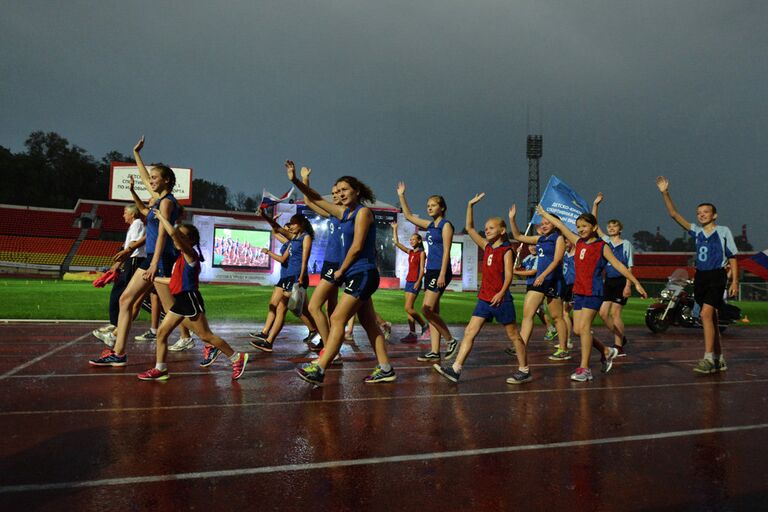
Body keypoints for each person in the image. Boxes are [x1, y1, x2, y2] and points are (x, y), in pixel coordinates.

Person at [288, 162, 394, 385]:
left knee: (336, 317)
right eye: (336, 191)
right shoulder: (343, 213)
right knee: (369, 324)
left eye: (344, 190)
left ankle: (320, 367)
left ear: (356, 191)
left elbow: (356, 247)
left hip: (362, 272)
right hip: (355, 274)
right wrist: (296, 181)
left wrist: (341, 271)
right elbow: (315, 199)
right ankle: (385, 368)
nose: (340, 194)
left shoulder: (363, 212)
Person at [90, 136, 181, 367]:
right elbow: (142, 177)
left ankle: (210, 343)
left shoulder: (167, 203)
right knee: (126, 300)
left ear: (166, 180)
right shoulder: (156, 201)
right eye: (150, 178)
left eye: (154, 178)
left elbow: (162, 234)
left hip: (161, 258)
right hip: (152, 257)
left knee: (174, 310)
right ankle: (118, 353)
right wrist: (136, 154)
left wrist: (154, 264)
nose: (149, 181)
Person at [536, 205, 647, 382]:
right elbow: (562, 225)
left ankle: (585, 369)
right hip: (579, 291)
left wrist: (636, 283)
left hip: (593, 292)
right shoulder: (577, 242)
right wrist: (544, 214)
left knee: (585, 328)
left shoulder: (602, 246)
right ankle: (606, 351)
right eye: (578, 227)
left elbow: (619, 265)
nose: (580, 230)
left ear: (594, 227)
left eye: (584, 226)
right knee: (579, 331)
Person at [137, 209, 248, 381]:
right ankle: (161, 369)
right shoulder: (181, 258)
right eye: (179, 235)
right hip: (181, 301)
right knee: (162, 333)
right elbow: (174, 281)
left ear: (190, 241)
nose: (178, 238)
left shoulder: (190, 254)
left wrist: (162, 218)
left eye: (183, 236)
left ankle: (236, 357)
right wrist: (155, 278)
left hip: (190, 299)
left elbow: (173, 234)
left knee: (205, 335)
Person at [433, 193, 522, 382]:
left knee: (513, 334)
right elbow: (470, 228)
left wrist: (501, 292)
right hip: (484, 298)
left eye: (491, 228)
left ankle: (524, 369)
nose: (487, 231)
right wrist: (470, 205)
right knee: (469, 331)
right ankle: (456, 369)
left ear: (502, 230)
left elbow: (508, 275)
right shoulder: (486, 246)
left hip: (501, 299)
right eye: (486, 228)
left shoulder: (506, 250)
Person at [656, 176, 738, 374]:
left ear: (715, 215)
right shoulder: (696, 231)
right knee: (711, 319)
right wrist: (665, 193)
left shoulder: (723, 231)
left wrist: (734, 281)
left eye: (705, 212)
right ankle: (719, 358)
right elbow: (674, 214)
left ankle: (708, 358)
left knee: (705, 314)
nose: (701, 215)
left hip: (717, 276)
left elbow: (733, 257)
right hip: (700, 277)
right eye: (699, 213)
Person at [396, 182, 457, 362]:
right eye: (428, 206)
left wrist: (441, 274)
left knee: (426, 309)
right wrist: (401, 195)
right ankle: (435, 351)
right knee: (434, 312)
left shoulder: (446, 225)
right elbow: (407, 215)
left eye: (433, 205)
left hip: (440, 271)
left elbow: (447, 251)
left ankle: (451, 340)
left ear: (442, 207)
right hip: (430, 270)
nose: (429, 208)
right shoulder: (430, 225)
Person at [507, 204, 569, 380]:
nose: (543, 225)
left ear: (555, 224)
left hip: (553, 280)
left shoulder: (558, 238)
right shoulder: (540, 239)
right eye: (542, 223)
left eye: (547, 222)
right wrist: (512, 219)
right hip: (539, 281)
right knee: (528, 314)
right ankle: (522, 345)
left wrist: (543, 275)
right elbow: (518, 236)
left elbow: (557, 260)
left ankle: (563, 348)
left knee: (557, 317)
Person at [250, 211, 318, 352]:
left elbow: (305, 258)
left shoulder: (306, 238)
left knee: (285, 309)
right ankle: (269, 340)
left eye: (293, 224)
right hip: (287, 277)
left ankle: (269, 341)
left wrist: (301, 276)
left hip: (296, 277)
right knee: (289, 309)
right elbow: (277, 230)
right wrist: (265, 215)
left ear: (301, 225)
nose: (291, 226)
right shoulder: (293, 239)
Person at [299, 167, 343, 354]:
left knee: (314, 306)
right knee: (331, 308)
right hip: (329, 263)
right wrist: (305, 179)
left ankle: (330, 348)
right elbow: (308, 200)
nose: (335, 196)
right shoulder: (333, 214)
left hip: (337, 265)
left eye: (339, 192)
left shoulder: (348, 215)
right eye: (333, 193)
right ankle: (331, 344)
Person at [92, 205, 146, 347]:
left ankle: (116, 329)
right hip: (131, 261)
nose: (123, 215)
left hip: (134, 261)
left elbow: (132, 245)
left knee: (129, 297)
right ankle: (115, 326)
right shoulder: (135, 225)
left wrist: (120, 262)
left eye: (125, 213)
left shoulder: (137, 225)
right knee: (122, 294)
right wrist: (117, 265)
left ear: (132, 214)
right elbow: (127, 246)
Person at [592, 192, 634, 356]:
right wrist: (595, 205)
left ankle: (619, 346)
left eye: (614, 226)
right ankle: (620, 336)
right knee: (603, 313)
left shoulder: (626, 244)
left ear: (620, 229)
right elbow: (594, 225)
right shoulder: (605, 242)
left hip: (621, 281)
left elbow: (630, 266)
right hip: (608, 280)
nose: (610, 228)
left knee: (615, 313)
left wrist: (628, 285)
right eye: (609, 226)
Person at [391, 221, 427, 343]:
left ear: (419, 241)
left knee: (408, 307)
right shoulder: (410, 252)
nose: (411, 241)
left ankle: (424, 325)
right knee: (408, 308)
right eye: (410, 240)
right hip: (409, 281)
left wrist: (418, 282)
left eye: (413, 239)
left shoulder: (421, 253)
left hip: (415, 282)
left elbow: (422, 269)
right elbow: (396, 243)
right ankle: (412, 334)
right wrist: (395, 228)